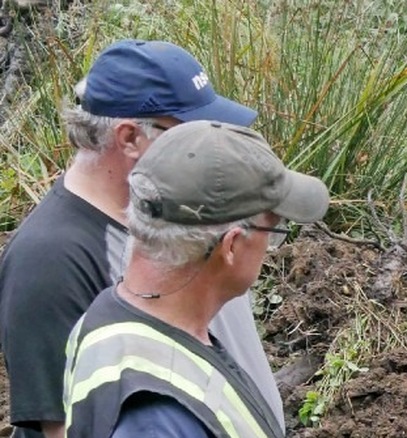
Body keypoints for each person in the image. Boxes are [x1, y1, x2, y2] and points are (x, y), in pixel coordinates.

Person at [0, 39, 285, 438]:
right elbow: (67, 427)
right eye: (191, 130)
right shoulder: (47, 259)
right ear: (130, 137)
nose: (211, 142)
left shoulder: (191, 214)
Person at [62, 120, 330, 437]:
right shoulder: (157, 419)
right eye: (273, 231)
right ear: (231, 245)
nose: (269, 250)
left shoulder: (112, 318)